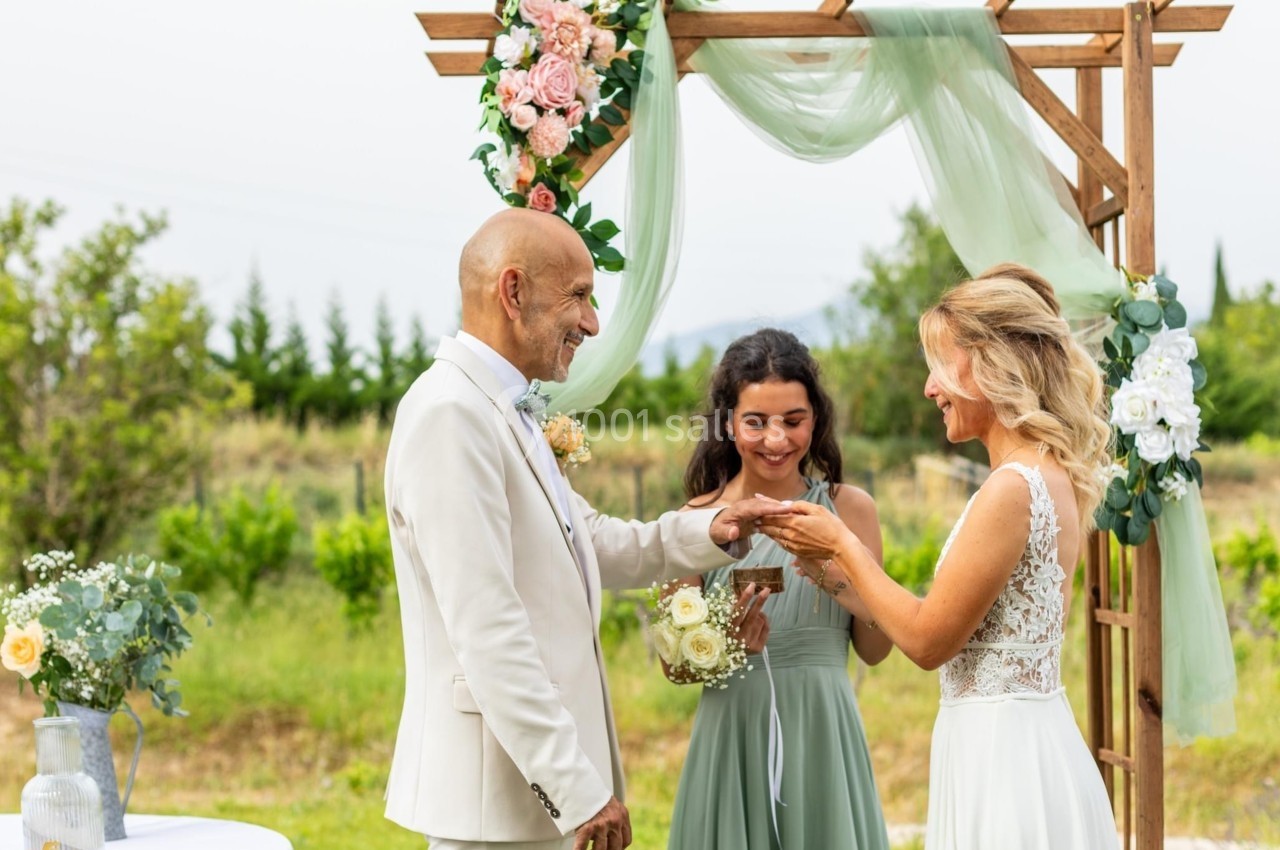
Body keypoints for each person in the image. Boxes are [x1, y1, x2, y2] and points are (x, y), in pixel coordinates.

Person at [382, 208, 784, 850]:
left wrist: (711, 529)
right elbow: (487, 627)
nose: (593, 324)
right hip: (500, 797)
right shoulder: (451, 415)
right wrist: (577, 790)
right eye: (579, 297)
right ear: (514, 292)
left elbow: (588, 545)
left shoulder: (506, 410)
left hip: (527, 795)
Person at [761, 264, 1118, 849]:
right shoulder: (1047, 472)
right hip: (1022, 735)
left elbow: (929, 643)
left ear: (989, 362)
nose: (930, 389)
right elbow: (962, 625)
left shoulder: (1011, 488)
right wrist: (840, 580)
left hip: (1004, 756)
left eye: (938, 367)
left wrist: (844, 543)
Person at [664, 328, 893, 850]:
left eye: (793, 421)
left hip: (823, 732)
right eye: (756, 422)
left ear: (816, 419)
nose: (776, 439)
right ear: (728, 424)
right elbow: (674, 667)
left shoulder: (851, 509)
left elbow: (876, 650)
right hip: (733, 735)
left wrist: (835, 575)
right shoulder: (692, 522)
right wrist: (724, 645)